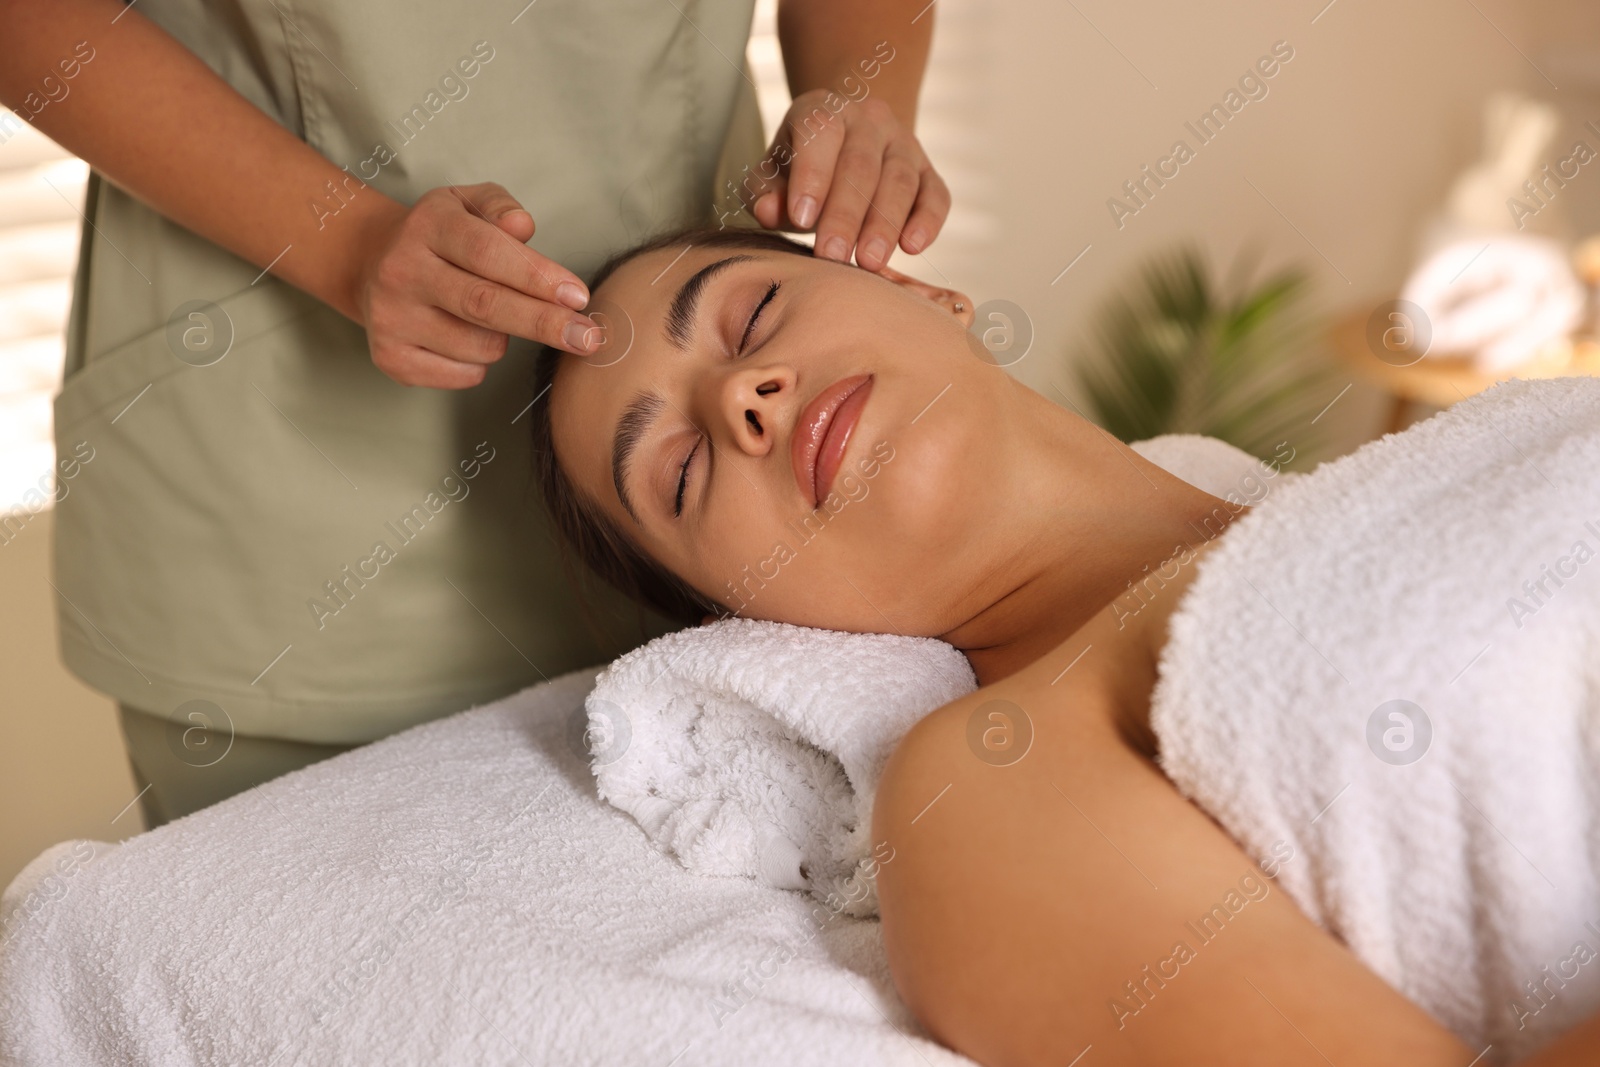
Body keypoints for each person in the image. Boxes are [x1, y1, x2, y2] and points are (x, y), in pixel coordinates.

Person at [528, 226, 1600, 1066]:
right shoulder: (992, 783)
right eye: (678, 473)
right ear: (740, 617)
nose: (738, 396)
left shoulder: (1430, 462)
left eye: (753, 312)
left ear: (920, 291)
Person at [0, 0, 950, 826]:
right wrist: (346, 244)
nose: (749, 395)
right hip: (284, 536)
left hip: (714, 584)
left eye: (752, 323)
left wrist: (860, 108)